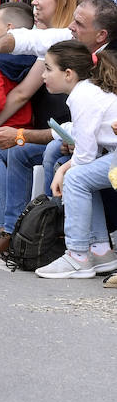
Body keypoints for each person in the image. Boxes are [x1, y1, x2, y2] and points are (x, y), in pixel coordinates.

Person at [38, 41, 117, 278]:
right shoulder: (87, 90)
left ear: (68, 74)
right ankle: (100, 251)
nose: (43, 75)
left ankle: (77, 256)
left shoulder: (83, 95)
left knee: (75, 177)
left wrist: (61, 172)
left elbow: (84, 156)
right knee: (80, 177)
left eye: (48, 69)